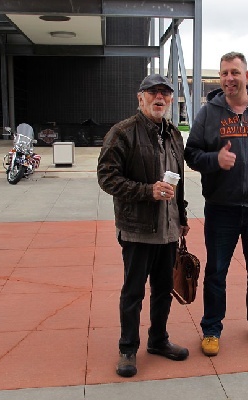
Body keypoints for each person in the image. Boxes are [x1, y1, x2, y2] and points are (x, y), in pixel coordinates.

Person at [184, 52, 248, 356]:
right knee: (216, 271)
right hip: (221, 208)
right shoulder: (208, 113)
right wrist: (214, 160)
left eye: (234, 72)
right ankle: (211, 328)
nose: (229, 78)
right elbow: (191, 154)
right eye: (224, 74)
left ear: (247, 76)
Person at [97, 73, 190, 377]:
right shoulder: (123, 132)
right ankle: (128, 348)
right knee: (133, 292)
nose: (159, 97)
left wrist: (182, 217)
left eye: (165, 93)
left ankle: (158, 340)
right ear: (140, 98)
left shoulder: (174, 134)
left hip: (168, 229)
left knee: (163, 289)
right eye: (153, 92)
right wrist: (147, 191)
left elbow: (179, 181)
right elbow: (107, 178)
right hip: (137, 229)